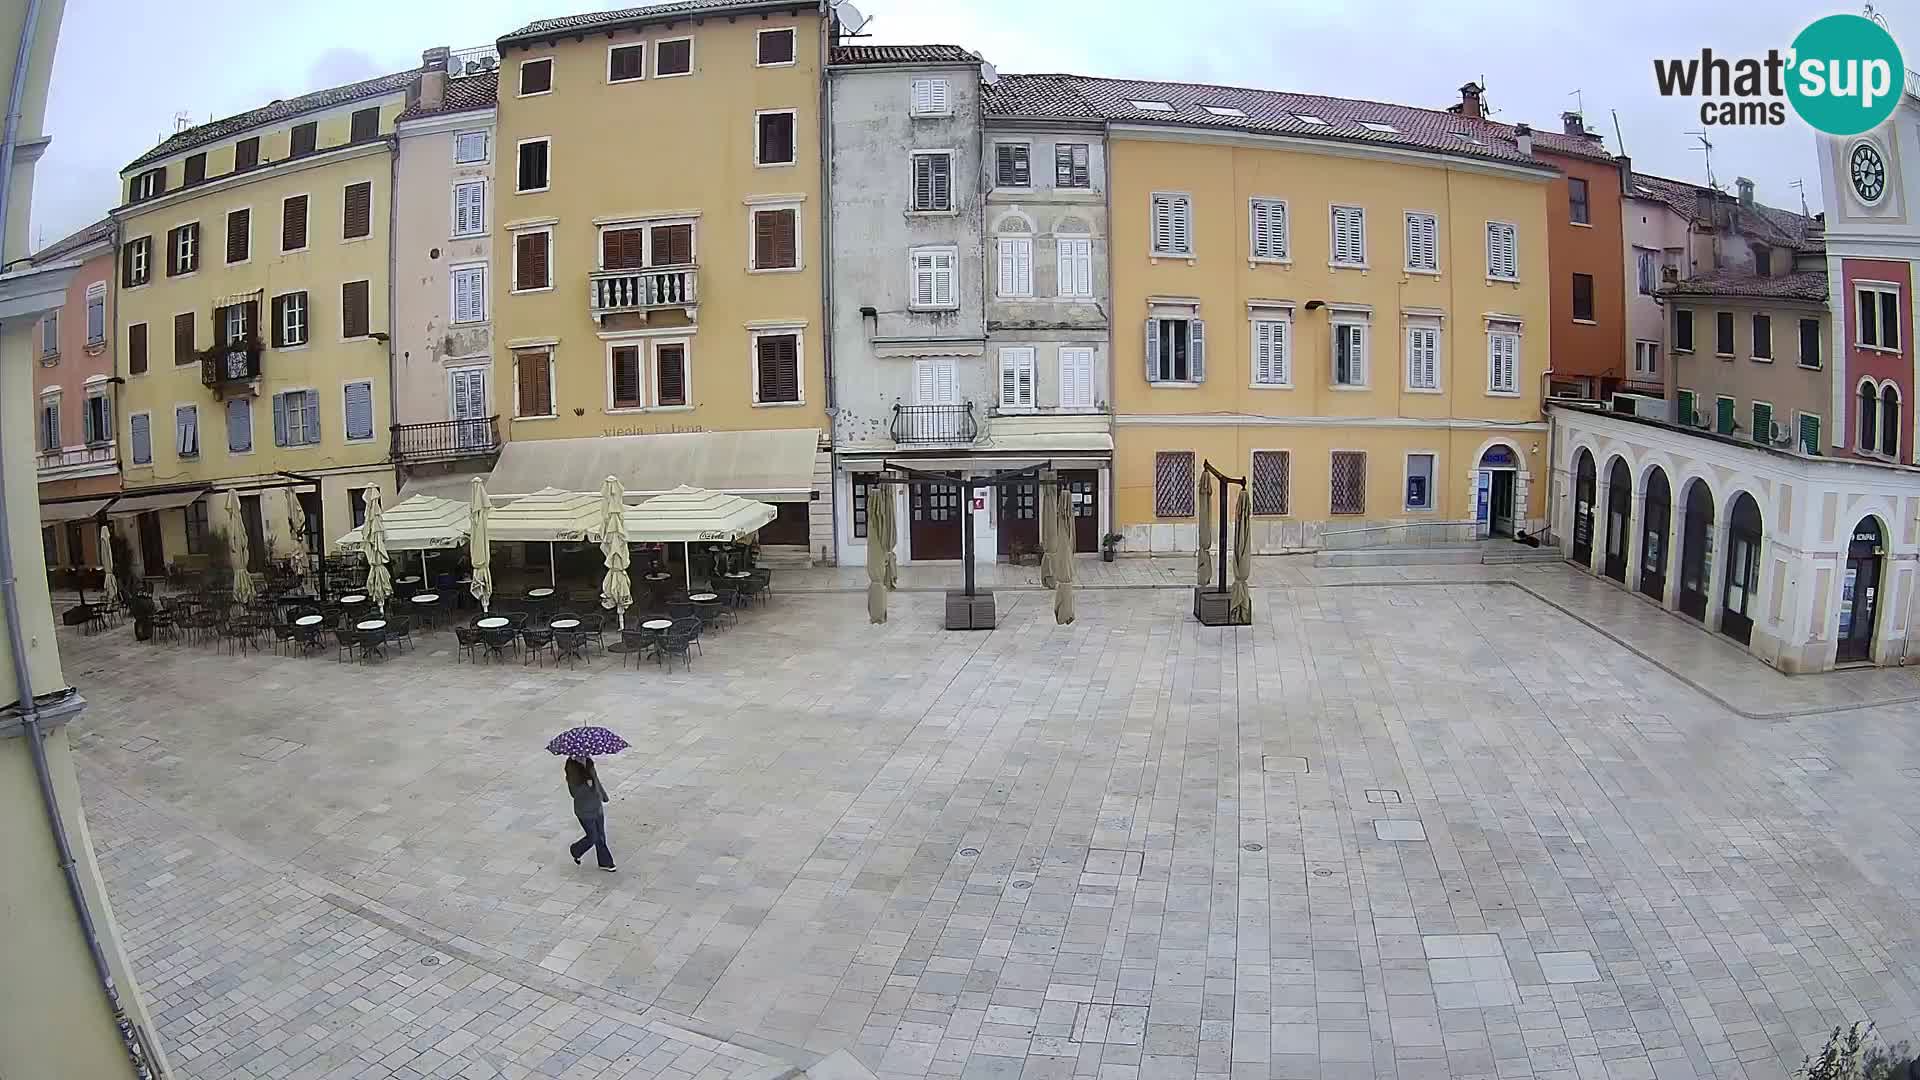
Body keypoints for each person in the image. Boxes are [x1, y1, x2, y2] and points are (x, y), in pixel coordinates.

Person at [564, 756, 615, 871]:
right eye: (580, 754)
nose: (583, 755)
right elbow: (574, 793)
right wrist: (586, 785)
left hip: (597, 806)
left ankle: (605, 862)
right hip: (584, 810)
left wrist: (603, 796)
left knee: (601, 836)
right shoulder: (572, 770)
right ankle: (576, 850)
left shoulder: (589, 763)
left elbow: (596, 781)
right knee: (593, 837)